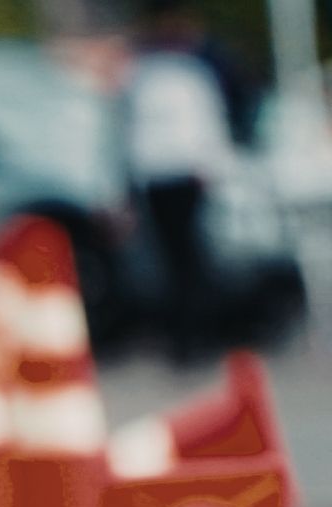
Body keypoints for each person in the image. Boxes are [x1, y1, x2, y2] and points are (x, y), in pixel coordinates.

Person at [124, 0, 251, 360]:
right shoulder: (154, 76)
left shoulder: (162, 76)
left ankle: (199, 334)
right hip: (166, 175)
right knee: (181, 260)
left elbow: (201, 126)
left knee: (189, 259)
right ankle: (191, 335)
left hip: (180, 175)